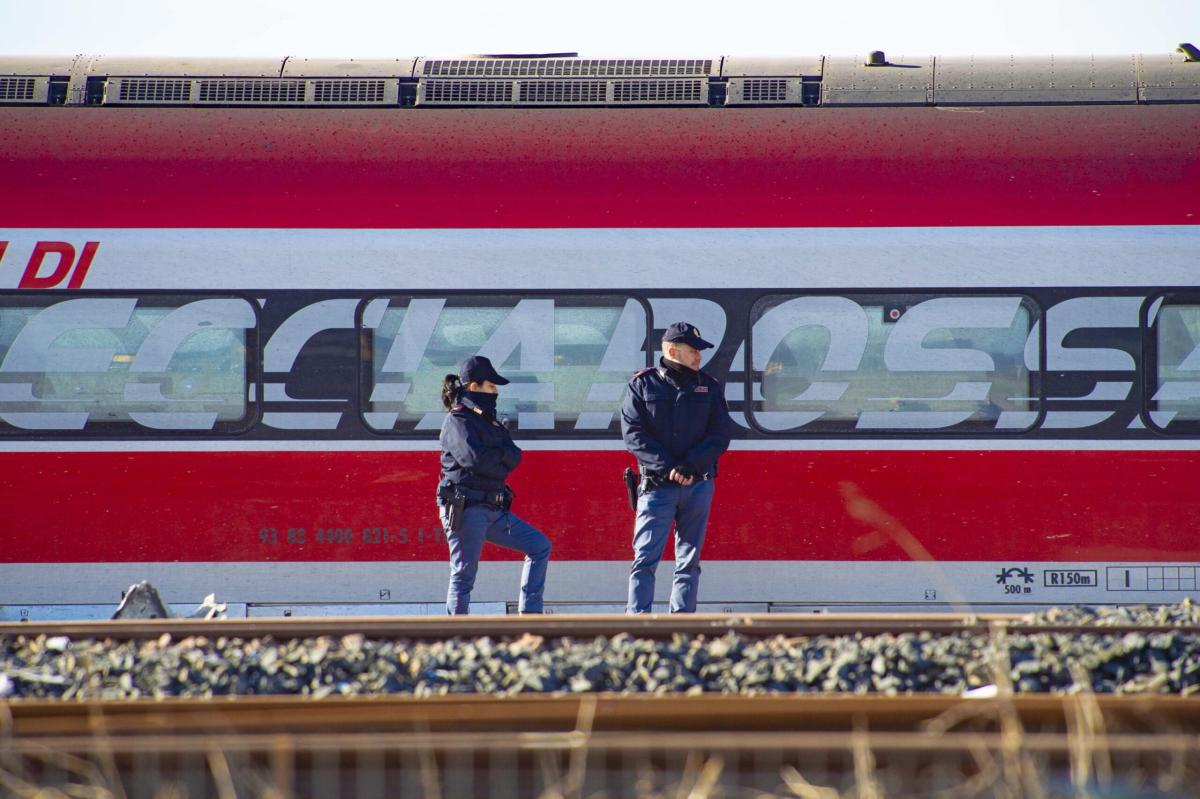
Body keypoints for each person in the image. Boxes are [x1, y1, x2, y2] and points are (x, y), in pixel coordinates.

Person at [620, 322, 735, 614]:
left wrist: (689, 466)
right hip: (658, 487)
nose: (699, 357)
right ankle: (638, 620)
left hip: (698, 484)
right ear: (672, 350)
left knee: (689, 561)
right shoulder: (642, 384)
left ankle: (682, 620)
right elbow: (634, 435)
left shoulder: (709, 386)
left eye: (699, 351)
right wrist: (670, 467)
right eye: (693, 351)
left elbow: (720, 434)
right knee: (645, 559)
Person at [437, 355, 552, 614]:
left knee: (539, 546)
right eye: (491, 386)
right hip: (466, 508)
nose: (496, 392)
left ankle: (531, 616)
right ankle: (456, 636)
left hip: (493, 508)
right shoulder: (458, 421)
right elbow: (476, 460)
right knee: (464, 574)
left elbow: (515, 456)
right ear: (474, 387)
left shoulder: (488, 420)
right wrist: (501, 456)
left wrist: (498, 457)